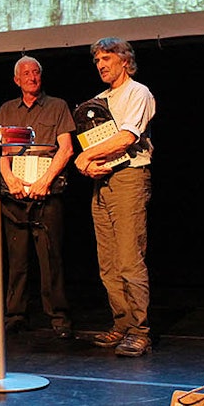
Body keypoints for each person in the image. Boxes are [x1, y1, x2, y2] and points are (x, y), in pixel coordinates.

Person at [74, 37, 156, 357]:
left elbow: (125, 138)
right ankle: (121, 323)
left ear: (125, 61)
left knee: (128, 258)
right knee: (107, 262)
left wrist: (84, 158)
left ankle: (140, 330)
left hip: (129, 179)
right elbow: (92, 142)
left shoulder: (138, 92)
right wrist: (89, 165)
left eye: (107, 58)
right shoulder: (97, 100)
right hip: (103, 182)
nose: (101, 65)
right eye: (97, 61)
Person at [0, 55, 75, 337]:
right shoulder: (7, 110)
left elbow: (65, 149)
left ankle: (58, 317)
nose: (31, 77)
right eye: (25, 73)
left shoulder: (57, 106)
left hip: (47, 190)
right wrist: (10, 180)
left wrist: (45, 181)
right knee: (16, 258)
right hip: (15, 192)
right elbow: (2, 153)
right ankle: (16, 314)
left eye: (36, 72)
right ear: (17, 80)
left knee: (50, 256)